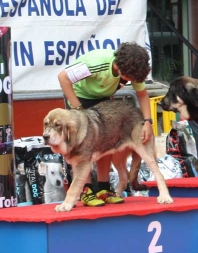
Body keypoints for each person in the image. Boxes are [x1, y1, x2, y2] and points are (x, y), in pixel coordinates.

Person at [58, 42, 153, 207]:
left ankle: (103, 188)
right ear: (122, 68)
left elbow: (143, 95)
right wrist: (78, 109)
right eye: (129, 78)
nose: (131, 81)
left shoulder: (133, 70)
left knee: (107, 142)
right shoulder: (96, 62)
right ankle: (86, 191)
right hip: (80, 98)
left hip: (103, 99)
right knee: (82, 147)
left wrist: (148, 122)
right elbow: (63, 77)